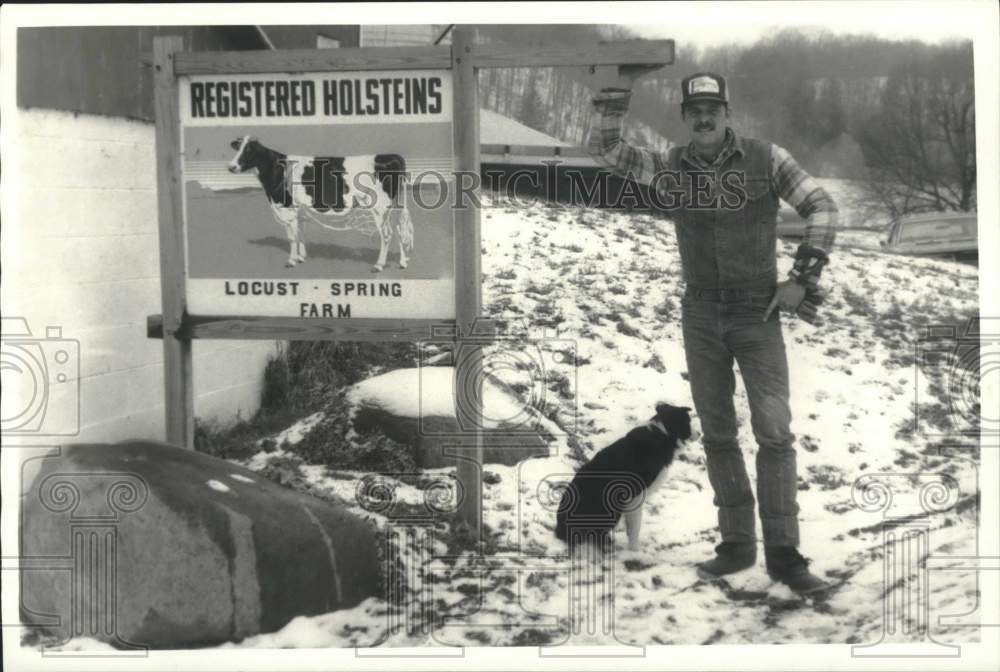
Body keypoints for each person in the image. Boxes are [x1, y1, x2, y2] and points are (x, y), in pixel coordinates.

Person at [586, 67, 837, 594]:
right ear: (685, 117)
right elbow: (609, 151)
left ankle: (786, 557)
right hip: (700, 314)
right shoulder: (670, 165)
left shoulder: (767, 158)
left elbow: (821, 205)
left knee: (774, 433)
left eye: (713, 110)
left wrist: (802, 277)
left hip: (757, 312)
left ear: (727, 113)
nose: (704, 119)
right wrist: (617, 94)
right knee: (718, 434)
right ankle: (736, 545)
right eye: (695, 111)